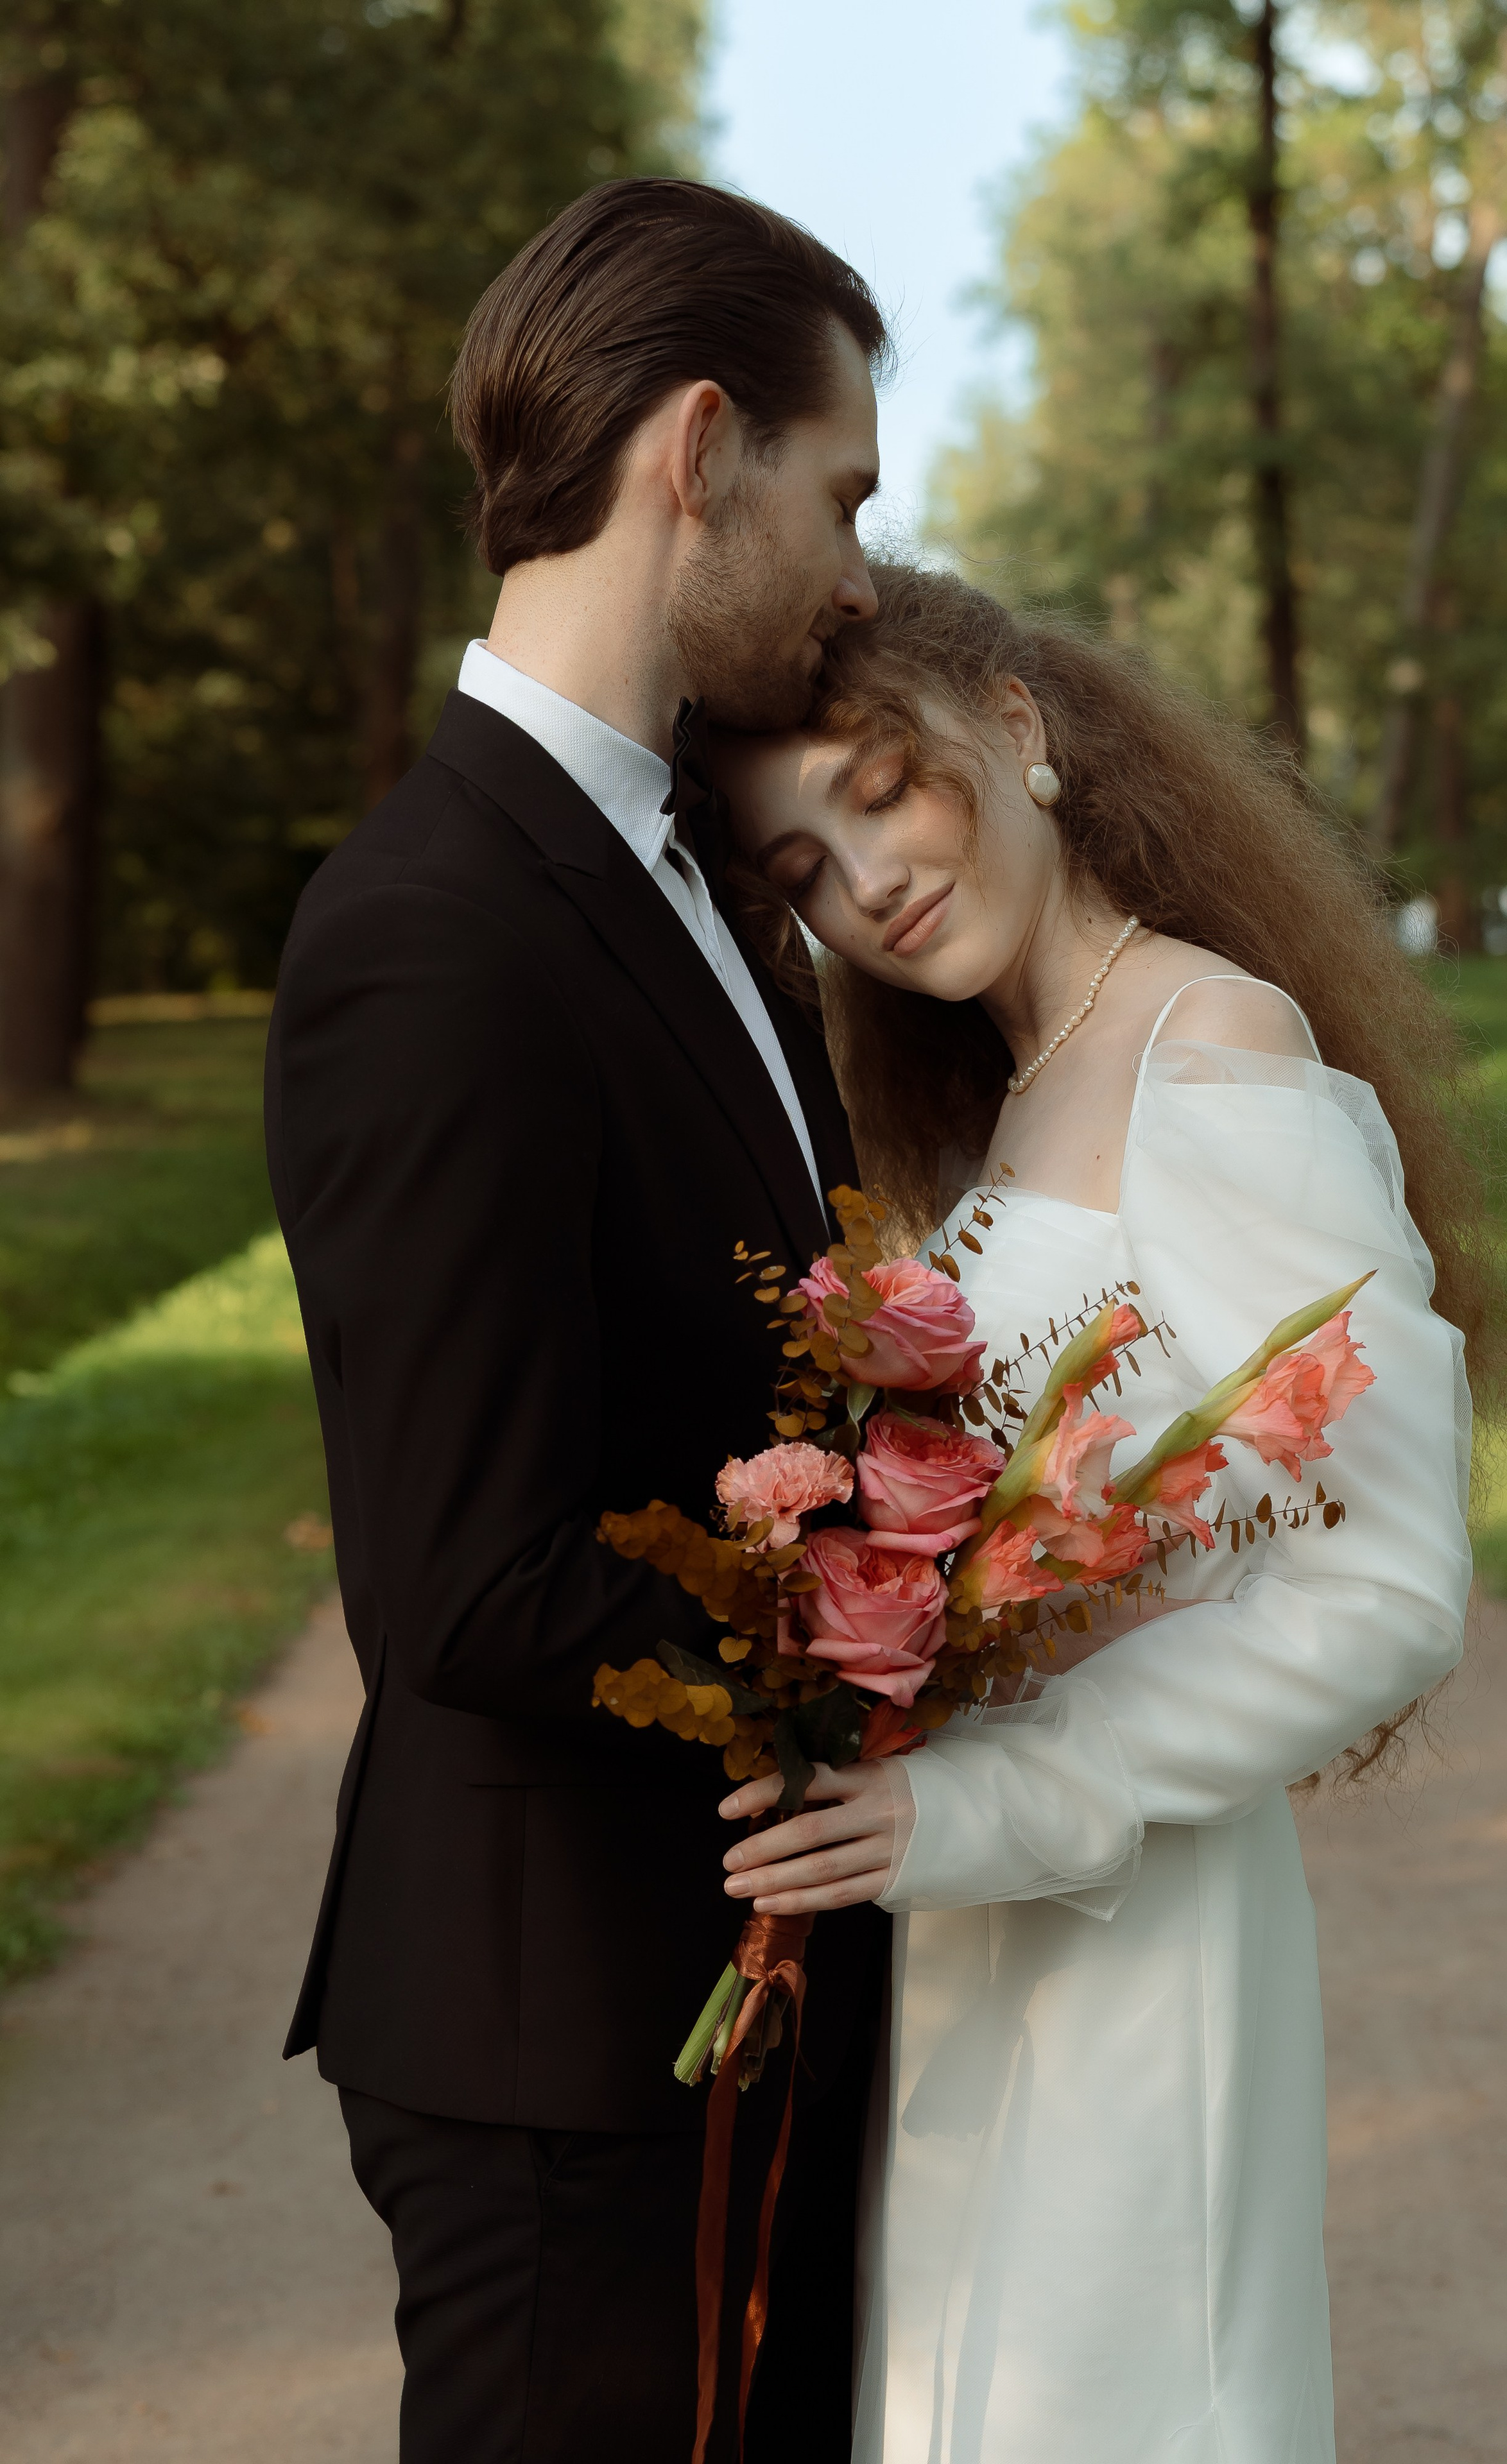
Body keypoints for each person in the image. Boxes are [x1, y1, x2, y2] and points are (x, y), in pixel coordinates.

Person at [710, 564, 1501, 2463]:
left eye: (880, 786)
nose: (869, 882)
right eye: (806, 867)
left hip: (1136, 1935)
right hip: (978, 1936)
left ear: (1022, 725)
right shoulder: (1003, 1102)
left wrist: (978, 1799)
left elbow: (1386, 1583)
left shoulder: (1213, 1046)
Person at [264, 180, 892, 2463]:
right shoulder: (438, 922)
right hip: (566, 2053)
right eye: (842, 497)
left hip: (734, 1990)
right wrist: (923, 1632)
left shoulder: (708, 866)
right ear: (700, 447)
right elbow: (468, 1576)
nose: (855, 576)